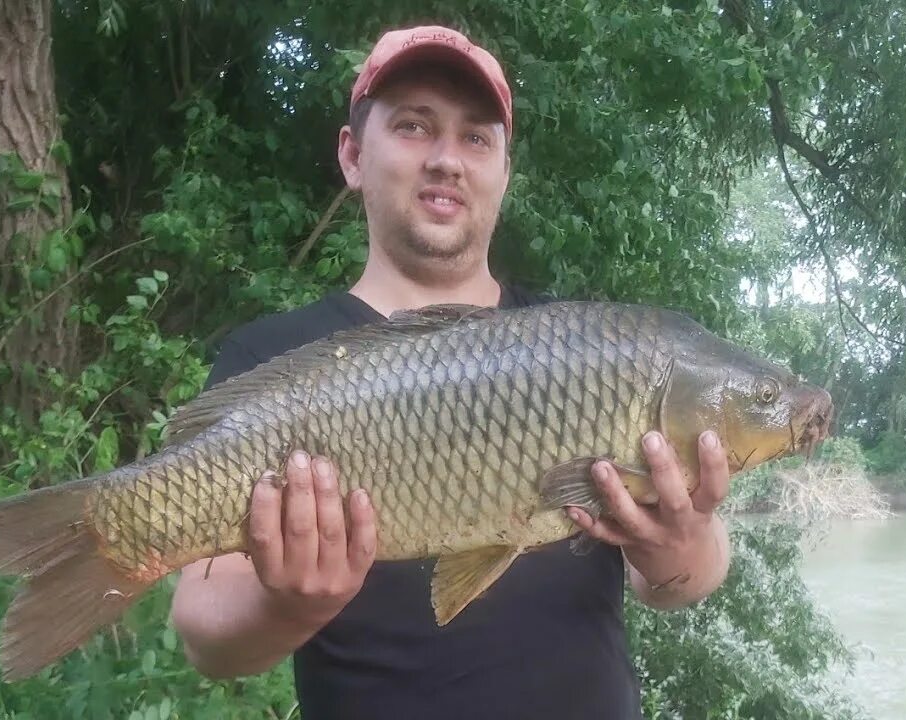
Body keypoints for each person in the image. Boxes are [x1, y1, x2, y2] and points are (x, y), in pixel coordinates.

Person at [169, 24, 732, 720]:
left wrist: (681, 544)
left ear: (503, 168)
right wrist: (283, 606)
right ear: (352, 154)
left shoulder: (590, 348)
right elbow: (206, 640)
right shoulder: (269, 361)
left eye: (476, 137)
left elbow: (683, 582)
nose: (447, 159)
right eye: (413, 126)